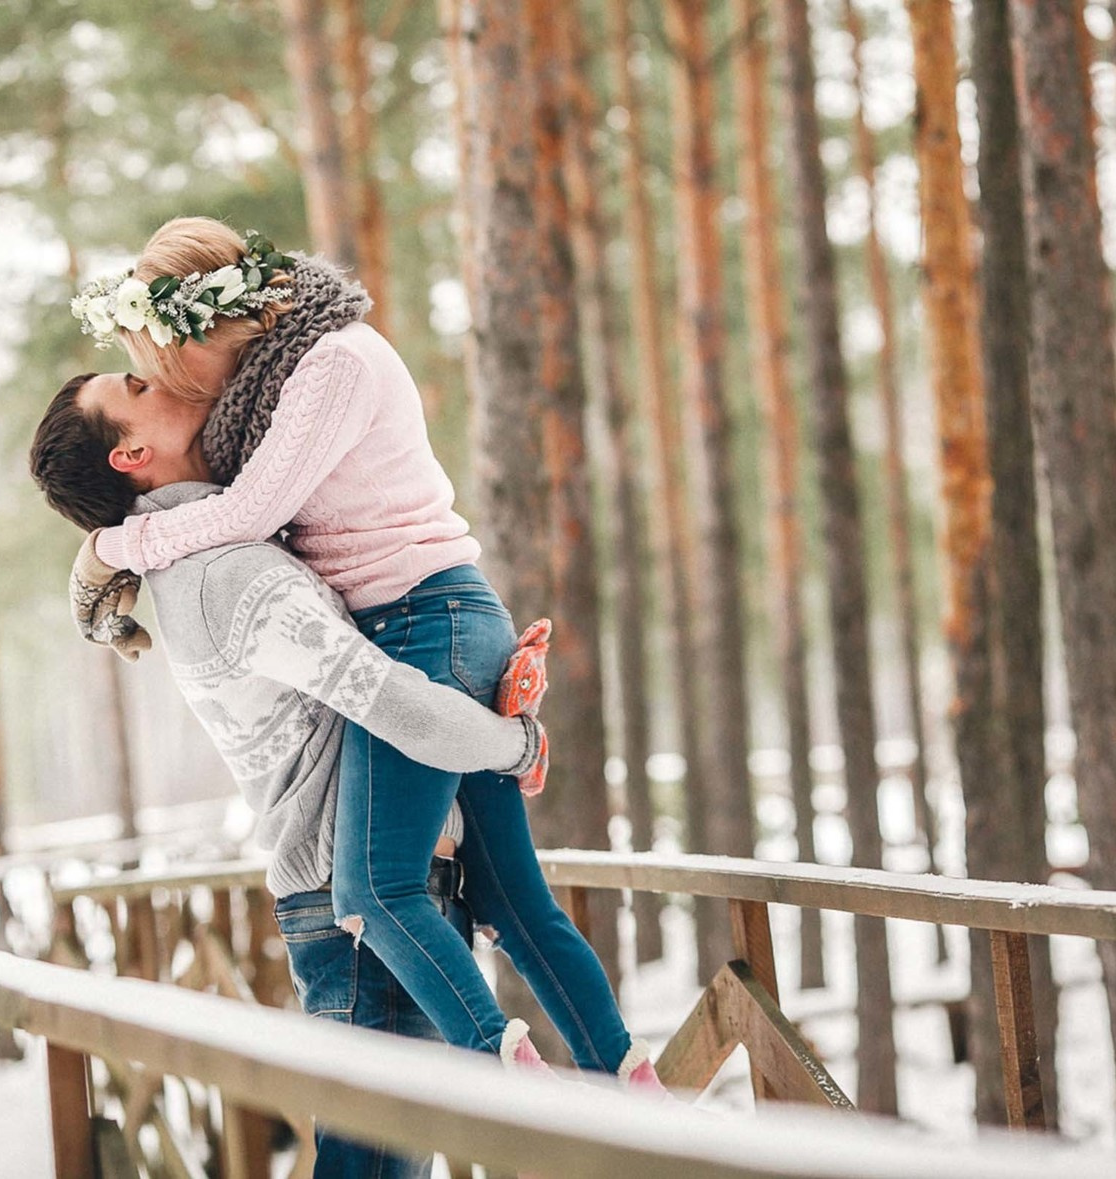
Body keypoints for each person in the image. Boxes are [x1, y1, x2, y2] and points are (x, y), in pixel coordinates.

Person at [48, 217, 660, 1086]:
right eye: (141, 377)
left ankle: (510, 1074)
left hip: (420, 617)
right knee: (510, 896)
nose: (163, 377)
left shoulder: (328, 363)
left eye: (155, 360)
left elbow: (249, 516)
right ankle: (629, 1080)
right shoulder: (265, 392)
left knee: (373, 890)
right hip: (426, 618)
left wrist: (110, 551)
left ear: (200, 329)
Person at [34, 385, 573, 1174]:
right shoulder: (229, 573)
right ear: (132, 456)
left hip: (363, 897)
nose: (163, 377)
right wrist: (514, 746)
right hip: (360, 910)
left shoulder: (212, 550)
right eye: (139, 388)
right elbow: (396, 706)